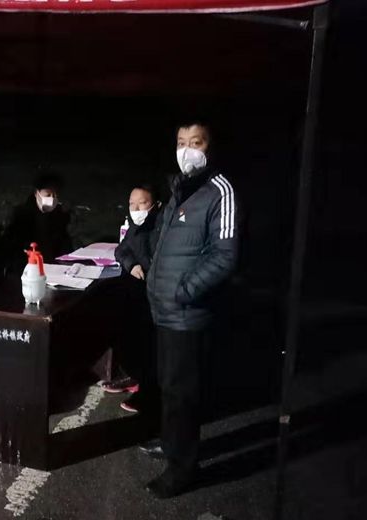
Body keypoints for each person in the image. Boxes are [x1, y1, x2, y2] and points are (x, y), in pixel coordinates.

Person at [143, 121, 240, 498]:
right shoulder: (179, 189)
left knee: (182, 392)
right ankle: (172, 444)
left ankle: (182, 469)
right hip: (165, 309)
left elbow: (225, 256)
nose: (186, 150)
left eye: (195, 143)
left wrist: (184, 291)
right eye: (181, 142)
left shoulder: (220, 191)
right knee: (169, 385)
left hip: (186, 311)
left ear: (210, 147)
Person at [103, 184, 160, 414]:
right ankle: (134, 377)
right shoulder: (136, 226)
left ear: (155, 205)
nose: (136, 209)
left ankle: (148, 391)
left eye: (142, 203)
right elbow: (122, 250)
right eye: (131, 204)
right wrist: (131, 264)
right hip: (136, 294)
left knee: (150, 345)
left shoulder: (161, 226)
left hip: (155, 295)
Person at [3, 171, 72, 273]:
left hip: (54, 268)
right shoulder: (21, 215)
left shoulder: (59, 215)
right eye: (48, 194)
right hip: (28, 269)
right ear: (36, 193)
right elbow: (12, 247)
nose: (52, 199)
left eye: (55, 195)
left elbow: (64, 244)